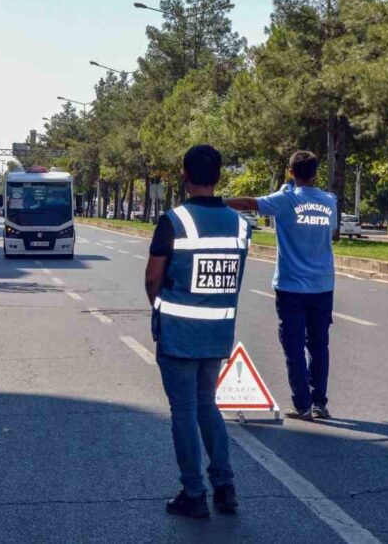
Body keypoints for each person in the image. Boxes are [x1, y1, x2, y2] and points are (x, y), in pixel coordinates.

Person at [145, 144, 250, 519]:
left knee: (184, 411)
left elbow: (154, 277)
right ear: (219, 176)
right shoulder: (241, 224)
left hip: (178, 333)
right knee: (208, 405)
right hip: (217, 333)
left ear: (185, 176)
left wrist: (160, 308)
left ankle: (193, 493)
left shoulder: (174, 220)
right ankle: (224, 485)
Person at [226, 151, 338, 421]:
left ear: (291, 172)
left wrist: (217, 201)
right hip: (323, 285)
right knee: (319, 345)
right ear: (315, 172)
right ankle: (319, 402)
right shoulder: (330, 201)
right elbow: (330, 229)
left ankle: (302, 404)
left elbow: (249, 203)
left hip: (291, 286)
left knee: (294, 345)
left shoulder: (285, 200)